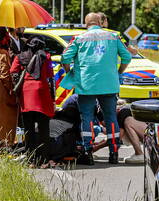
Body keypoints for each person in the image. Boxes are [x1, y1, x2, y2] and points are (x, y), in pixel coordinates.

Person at [61, 12, 132, 166]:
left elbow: (64, 58)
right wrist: (118, 72)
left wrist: (69, 72)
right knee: (110, 116)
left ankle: (87, 152)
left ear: (86, 23)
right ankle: (114, 153)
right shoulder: (113, 37)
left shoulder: (79, 39)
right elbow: (127, 57)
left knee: (86, 117)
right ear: (100, 22)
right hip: (109, 84)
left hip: (87, 85)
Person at [11, 36, 56, 167]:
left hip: (27, 94)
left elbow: (12, 72)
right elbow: (49, 75)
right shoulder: (46, 56)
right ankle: (44, 160)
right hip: (42, 94)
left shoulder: (20, 57)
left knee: (29, 130)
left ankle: (31, 160)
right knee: (44, 130)